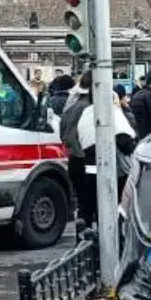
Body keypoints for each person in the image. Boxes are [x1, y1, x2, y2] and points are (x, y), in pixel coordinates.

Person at [76, 72, 137, 204]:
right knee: (113, 203)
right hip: (113, 170)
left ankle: (87, 221)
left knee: (95, 202)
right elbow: (125, 142)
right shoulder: (111, 111)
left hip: (89, 165)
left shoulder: (85, 112)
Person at [59, 71, 95, 230]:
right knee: (94, 204)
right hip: (90, 161)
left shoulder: (70, 106)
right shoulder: (93, 108)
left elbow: (62, 134)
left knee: (82, 204)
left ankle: (81, 243)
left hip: (74, 160)